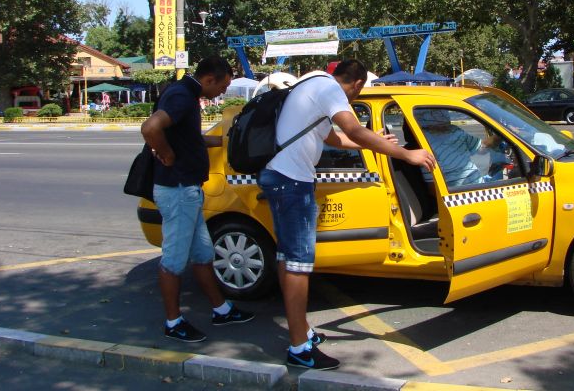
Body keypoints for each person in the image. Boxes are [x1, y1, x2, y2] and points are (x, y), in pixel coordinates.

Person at [258, 59, 436, 370]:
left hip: (282, 177)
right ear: (356, 83)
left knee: (289, 259)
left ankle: (303, 332)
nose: (355, 97)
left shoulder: (313, 85)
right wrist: (408, 154)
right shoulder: (330, 89)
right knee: (299, 264)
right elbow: (353, 128)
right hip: (291, 182)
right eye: (358, 91)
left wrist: (376, 142)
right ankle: (299, 348)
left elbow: (334, 138)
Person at [141, 56, 254, 343]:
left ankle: (221, 309)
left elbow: (188, 138)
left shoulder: (184, 93)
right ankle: (173, 322)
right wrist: (166, 154)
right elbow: (150, 128)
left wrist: (224, 141)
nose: (223, 92)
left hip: (187, 190)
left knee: (203, 255)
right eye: (223, 86)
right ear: (209, 80)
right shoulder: (182, 96)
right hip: (178, 190)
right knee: (173, 262)